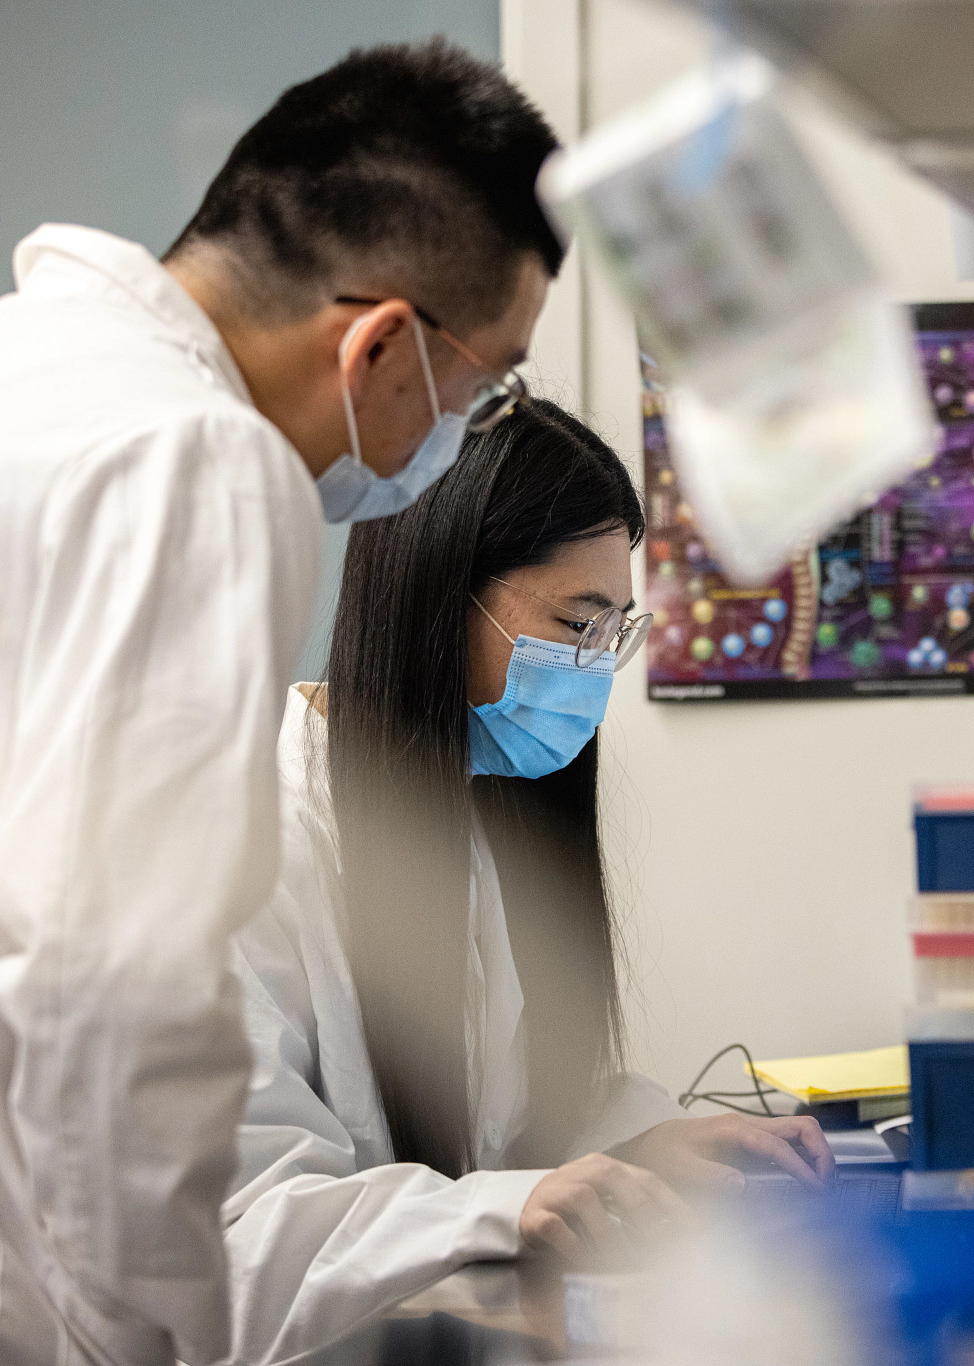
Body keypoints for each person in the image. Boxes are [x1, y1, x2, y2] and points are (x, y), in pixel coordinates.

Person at [0, 42, 562, 1366]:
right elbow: (118, 1001)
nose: (471, 420)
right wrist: (168, 1318)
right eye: (486, 381)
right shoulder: (191, 457)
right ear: (386, 342)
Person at [222, 400, 833, 1363]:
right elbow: (240, 1237)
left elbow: (489, 1138)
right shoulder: (242, 844)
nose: (594, 670)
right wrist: (510, 1208)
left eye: (613, 634)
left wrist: (631, 1151)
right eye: (575, 625)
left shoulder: (448, 817)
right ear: (438, 595)